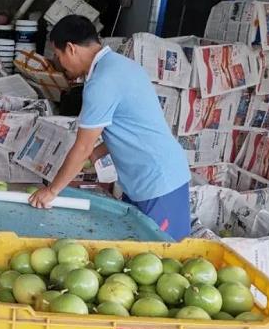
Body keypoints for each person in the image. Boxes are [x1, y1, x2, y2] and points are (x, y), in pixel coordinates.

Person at [29, 15, 191, 240]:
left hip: (158, 183)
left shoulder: (101, 82)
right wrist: (97, 154)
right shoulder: (120, 65)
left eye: (58, 56)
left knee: (163, 256)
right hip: (149, 177)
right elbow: (129, 125)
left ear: (71, 48)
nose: (60, 65)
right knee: (136, 249)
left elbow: (82, 146)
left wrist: (51, 191)